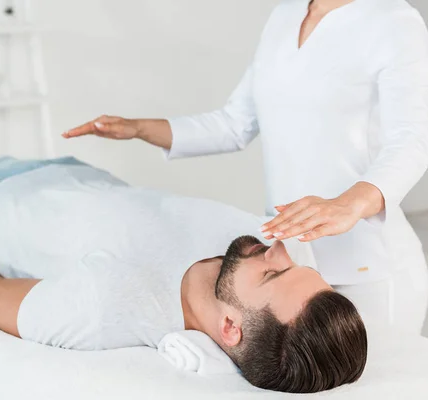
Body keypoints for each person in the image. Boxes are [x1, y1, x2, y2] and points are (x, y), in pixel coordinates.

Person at [0, 98, 367, 393]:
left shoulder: (113, 306)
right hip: (71, 175)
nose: (277, 249)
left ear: (229, 329)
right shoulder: (253, 261)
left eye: (273, 274)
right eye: (294, 264)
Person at [64, 0, 428, 334]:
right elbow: (234, 124)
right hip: (288, 271)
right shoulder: (285, 16)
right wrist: (140, 129)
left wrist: (350, 203)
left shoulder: (393, 22)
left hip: (370, 269)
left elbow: (413, 139)